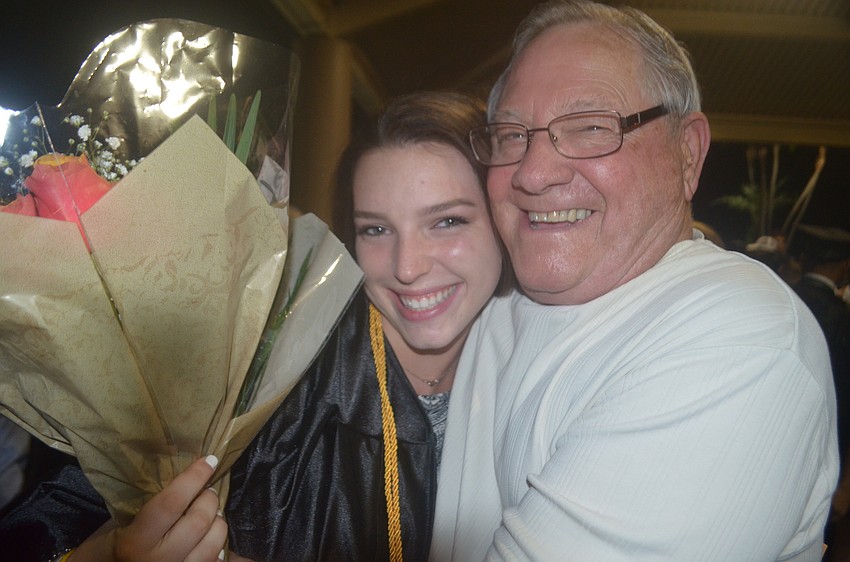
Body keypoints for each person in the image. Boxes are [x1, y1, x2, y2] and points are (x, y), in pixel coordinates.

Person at [0, 90, 508, 562]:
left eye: (447, 221)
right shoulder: (264, 368)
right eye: (376, 229)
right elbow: (53, 516)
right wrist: (107, 554)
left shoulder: (540, 362)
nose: (408, 266)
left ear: (505, 217)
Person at [430, 2, 838, 561]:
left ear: (687, 154)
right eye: (513, 135)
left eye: (592, 128)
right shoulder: (476, 295)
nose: (533, 172)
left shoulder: (743, 339)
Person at [790, 224, 850, 545]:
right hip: (822, 466)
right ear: (845, 267)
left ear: (801, 258)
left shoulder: (775, 296)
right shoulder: (844, 319)